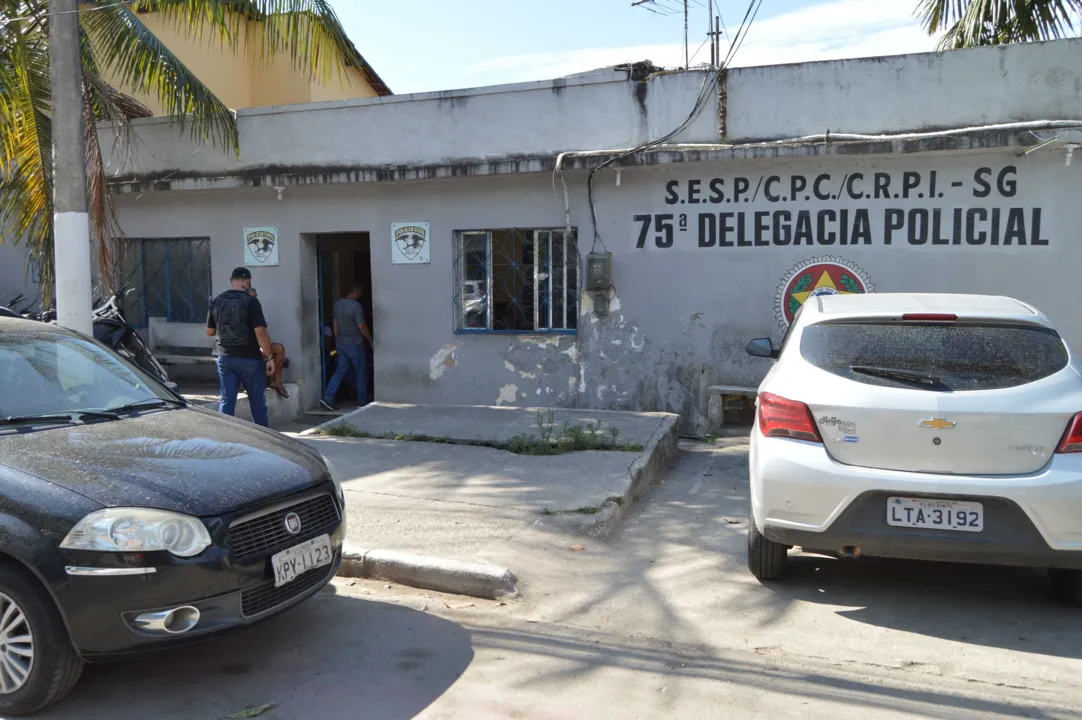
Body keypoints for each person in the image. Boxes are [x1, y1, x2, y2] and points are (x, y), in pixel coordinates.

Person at [206, 267, 275, 427]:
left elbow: (210, 332)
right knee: (257, 400)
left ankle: (225, 439)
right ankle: (263, 438)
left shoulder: (216, 301)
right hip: (249, 358)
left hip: (224, 358)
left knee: (227, 400)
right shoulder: (251, 302)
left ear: (231, 280)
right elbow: (260, 332)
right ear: (248, 282)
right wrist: (269, 357)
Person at [320, 281, 373, 410]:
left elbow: (335, 324)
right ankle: (362, 401)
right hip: (356, 345)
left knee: (339, 371)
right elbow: (361, 326)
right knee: (360, 372)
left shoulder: (337, 304)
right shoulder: (356, 306)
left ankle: (328, 397)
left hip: (342, 344)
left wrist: (337, 341)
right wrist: (370, 339)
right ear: (356, 291)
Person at [246, 286, 289, 399]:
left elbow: (263, 332)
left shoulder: (256, 309)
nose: (255, 298)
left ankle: (276, 382)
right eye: (252, 296)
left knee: (279, 348)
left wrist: (267, 349)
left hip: (259, 345)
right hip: (246, 347)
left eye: (256, 296)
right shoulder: (243, 308)